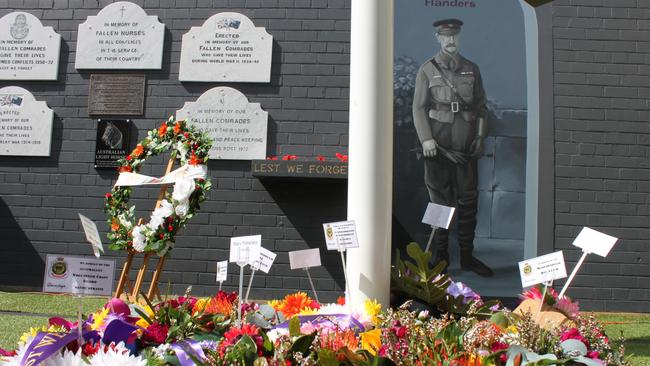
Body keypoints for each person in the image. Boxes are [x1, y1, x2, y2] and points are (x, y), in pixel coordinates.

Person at [412, 18, 493, 277]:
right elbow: (419, 108)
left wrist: (480, 138)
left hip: (466, 147)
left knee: (468, 202)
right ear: (437, 38)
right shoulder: (427, 69)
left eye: (454, 36)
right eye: (445, 36)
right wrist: (426, 139)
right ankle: (440, 256)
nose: (450, 41)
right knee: (439, 202)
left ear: (460, 37)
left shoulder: (472, 69)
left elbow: (481, 108)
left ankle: (468, 257)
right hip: (438, 148)